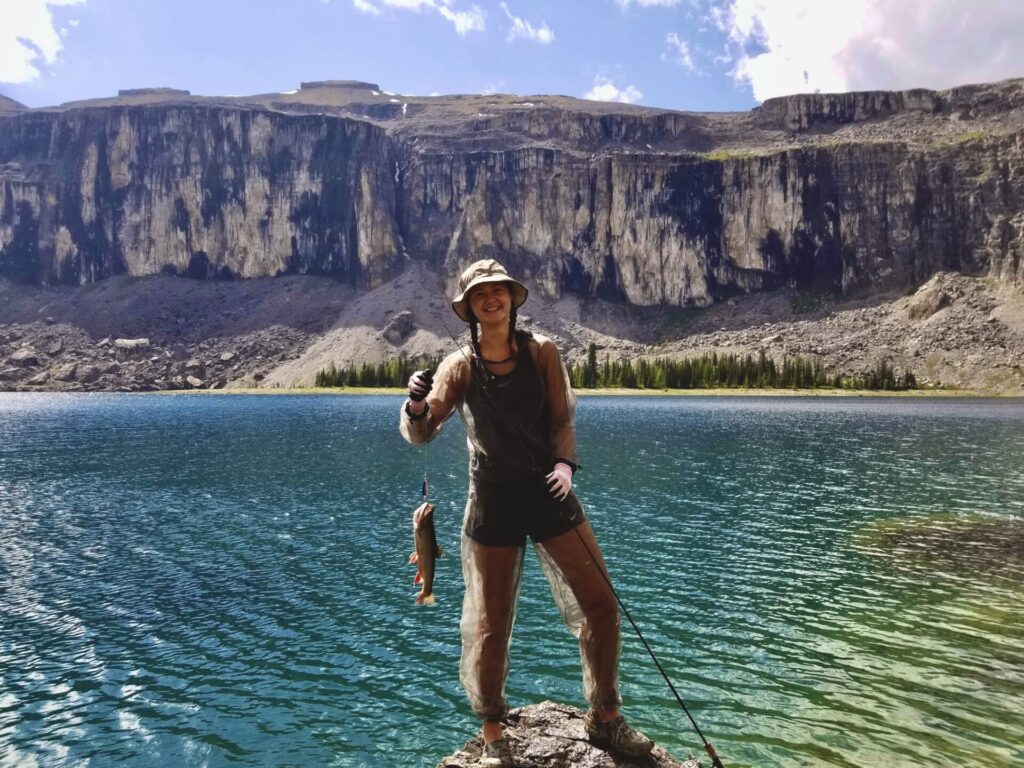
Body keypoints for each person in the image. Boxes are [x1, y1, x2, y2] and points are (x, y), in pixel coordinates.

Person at [399, 259, 653, 767]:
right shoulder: (460, 365)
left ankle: (604, 717)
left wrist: (564, 465)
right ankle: (493, 730)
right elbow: (425, 430)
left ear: (513, 299)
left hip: (548, 491)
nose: (490, 299)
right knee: (491, 623)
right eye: (479, 294)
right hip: (492, 500)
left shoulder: (542, 352)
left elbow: (561, 417)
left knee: (601, 604)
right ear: (469, 308)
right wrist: (416, 407)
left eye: (498, 291)